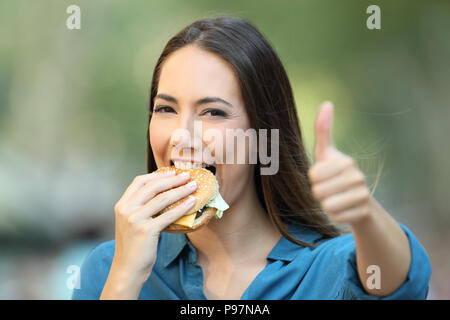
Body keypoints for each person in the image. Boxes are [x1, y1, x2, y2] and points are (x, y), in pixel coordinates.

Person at [71, 16, 431, 300]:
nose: (181, 135)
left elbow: (404, 284)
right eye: (165, 108)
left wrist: (365, 213)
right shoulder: (109, 267)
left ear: (263, 137)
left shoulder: (331, 268)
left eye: (213, 112)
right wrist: (125, 279)